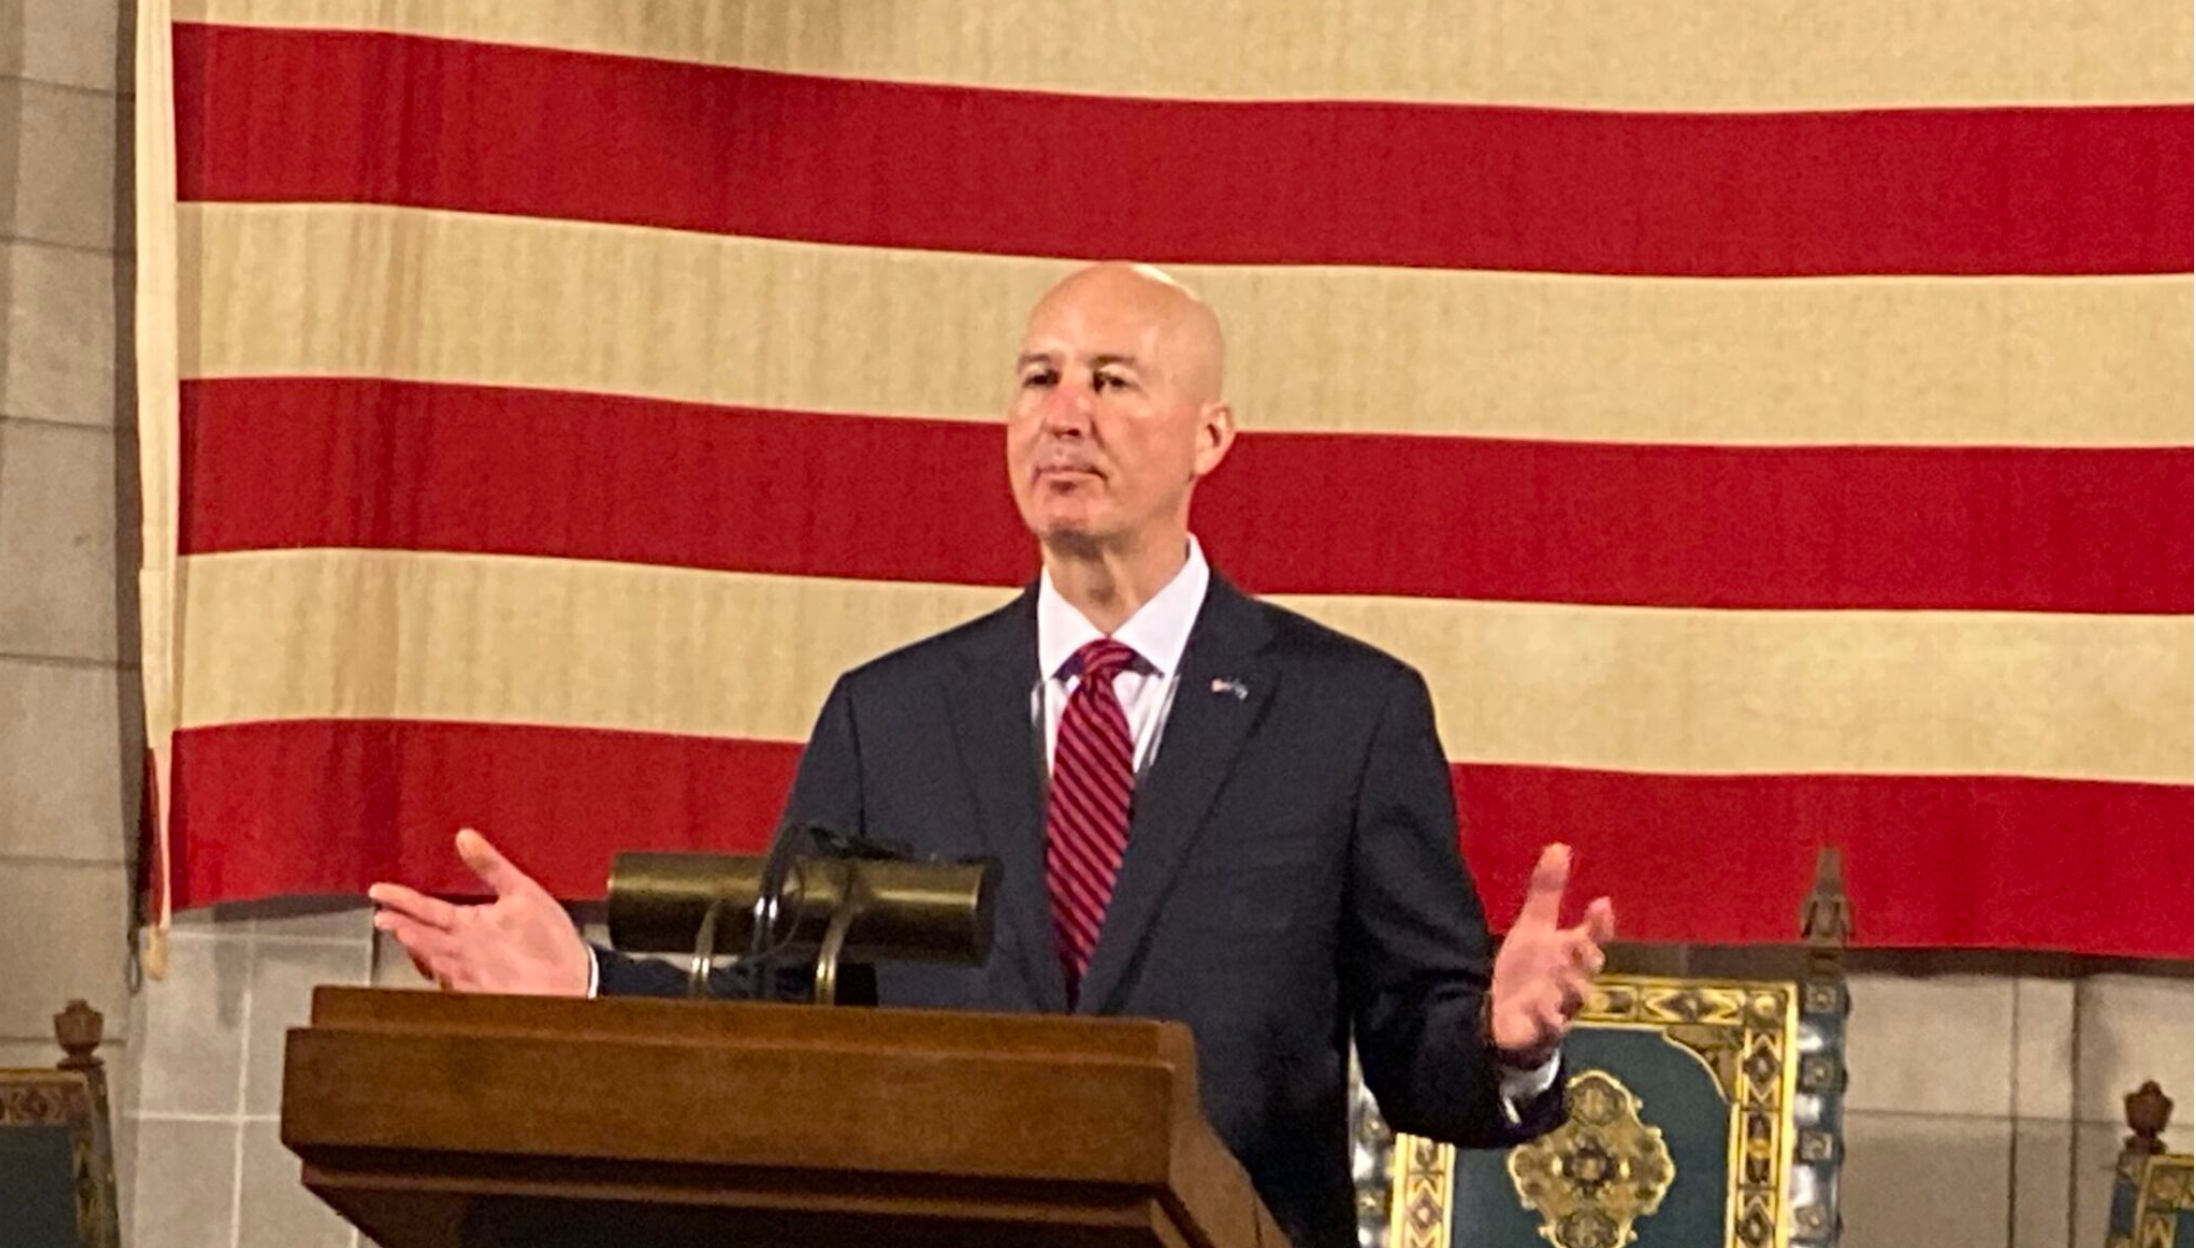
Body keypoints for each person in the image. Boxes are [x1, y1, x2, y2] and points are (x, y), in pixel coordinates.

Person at [371, 262, 1616, 1247]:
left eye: (1114, 381)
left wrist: (1508, 1042)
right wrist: (590, 992)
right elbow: (783, 1015)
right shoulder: (891, 713)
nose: (1064, 413)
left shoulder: (1347, 717)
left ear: (1211, 436)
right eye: (1039, 377)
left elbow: (1418, 1056)